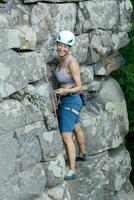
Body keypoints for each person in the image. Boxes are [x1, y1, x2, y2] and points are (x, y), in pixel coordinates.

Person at [55, 30, 87, 181]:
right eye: (60, 45)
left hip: (72, 99)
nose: (62, 48)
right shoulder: (60, 59)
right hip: (70, 99)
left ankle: (72, 170)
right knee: (77, 127)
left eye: (65, 46)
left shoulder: (72, 63)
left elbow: (80, 86)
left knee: (66, 135)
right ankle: (82, 154)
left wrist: (65, 90)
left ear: (70, 48)